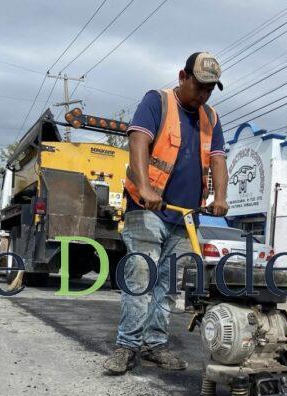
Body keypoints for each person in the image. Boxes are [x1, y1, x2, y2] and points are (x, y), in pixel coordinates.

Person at [103, 52, 229, 375]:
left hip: (186, 217)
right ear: (182, 77)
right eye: (199, 86)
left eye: (209, 89)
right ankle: (127, 346)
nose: (203, 95)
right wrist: (145, 187)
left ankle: (154, 345)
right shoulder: (157, 102)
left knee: (169, 286)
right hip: (147, 210)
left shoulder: (211, 119)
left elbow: (218, 160)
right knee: (141, 277)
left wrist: (221, 197)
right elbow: (139, 141)